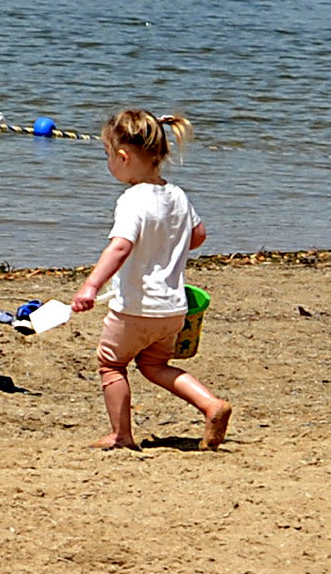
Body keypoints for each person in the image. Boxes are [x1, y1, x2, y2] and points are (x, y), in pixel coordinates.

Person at [64, 107, 233, 450]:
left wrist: (91, 285)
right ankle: (211, 404)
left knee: (111, 365)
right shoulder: (177, 195)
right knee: (155, 364)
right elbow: (198, 236)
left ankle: (121, 434)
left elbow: (120, 248)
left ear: (123, 156)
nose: (108, 161)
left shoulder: (132, 200)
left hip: (135, 309)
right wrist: (167, 246)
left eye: (108, 154)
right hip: (172, 310)